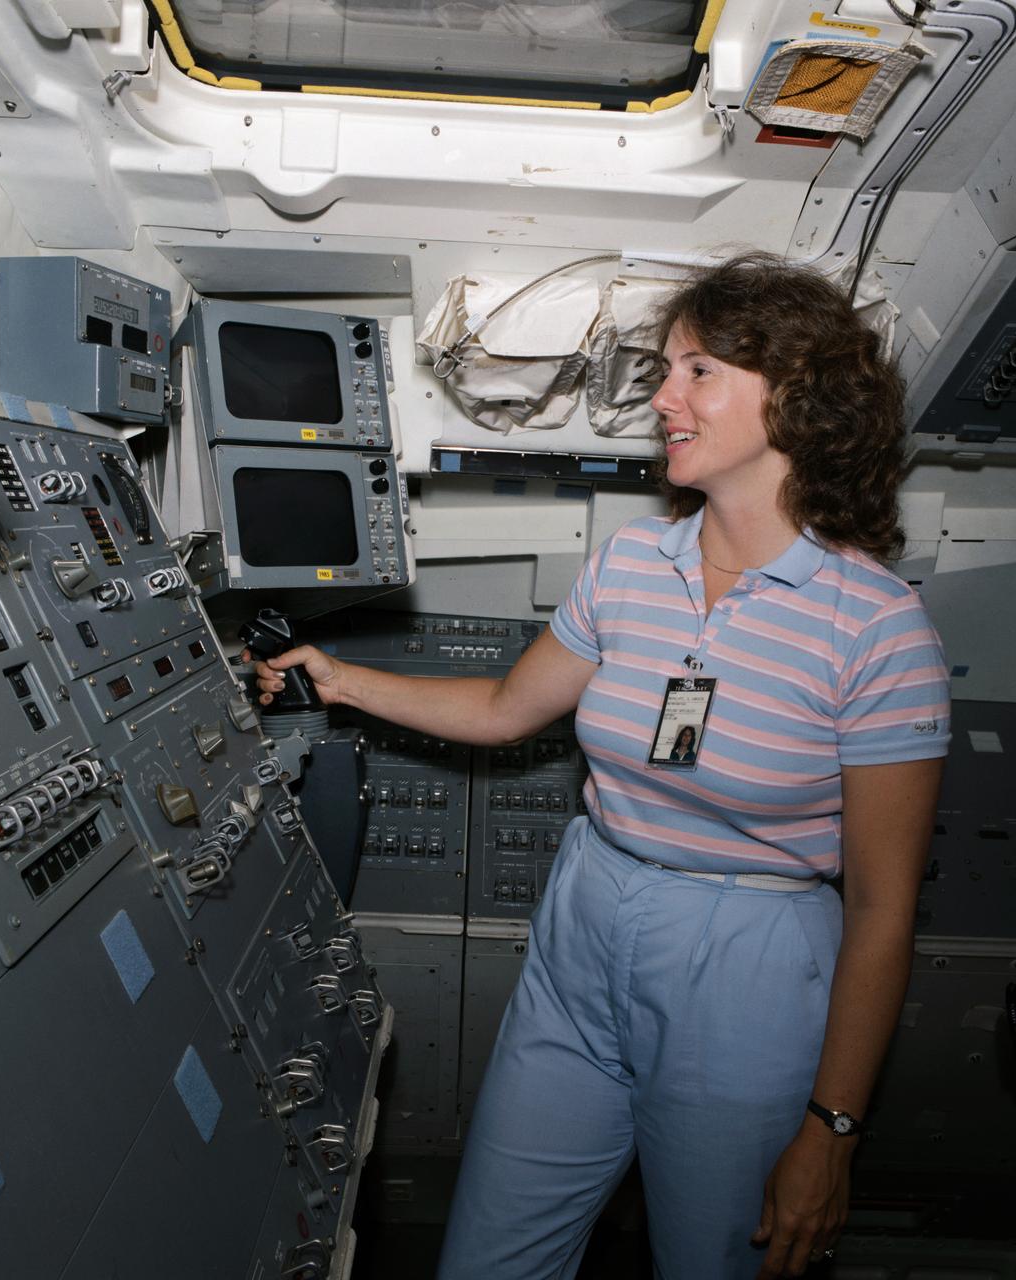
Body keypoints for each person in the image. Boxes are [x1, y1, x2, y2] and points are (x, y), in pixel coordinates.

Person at [247, 252, 950, 1279]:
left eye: (698, 371)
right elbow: (504, 709)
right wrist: (341, 679)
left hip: (746, 963)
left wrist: (832, 1126)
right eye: (666, 370)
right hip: (585, 921)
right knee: (489, 1258)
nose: (663, 398)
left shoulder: (876, 628)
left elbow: (884, 906)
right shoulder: (631, 563)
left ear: (797, 399)